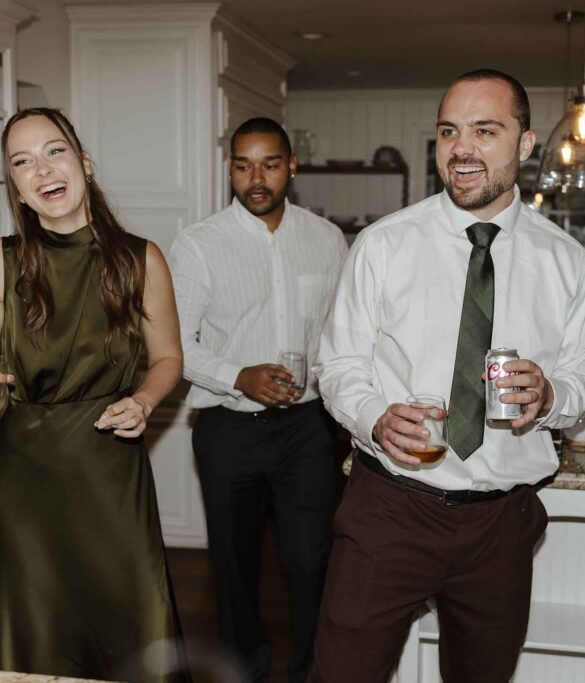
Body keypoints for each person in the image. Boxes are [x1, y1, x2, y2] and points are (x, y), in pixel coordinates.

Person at [310, 69, 585, 683]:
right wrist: (373, 417)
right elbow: (338, 365)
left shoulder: (565, 261)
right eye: (449, 132)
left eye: (484, 130)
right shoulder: (383, 245)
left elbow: (582, 385)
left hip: (501, 525)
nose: (461, 149)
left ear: (525, 144)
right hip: (390, 509)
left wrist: (550, 395)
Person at [0, 108, 189, 682]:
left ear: (84, 164)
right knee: (36, 643)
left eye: (54, 151)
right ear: (18, 191)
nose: (42, 170)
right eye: (23, 162)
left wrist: (145, 401)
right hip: (23, 490)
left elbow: (170, 358)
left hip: (111, 482)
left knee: (135, 634)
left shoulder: (139, 258)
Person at [170, 117, 348, 682]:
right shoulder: (199, 244)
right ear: (229, 168)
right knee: (233, 564)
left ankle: (308, 669)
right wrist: (236, 375)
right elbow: (173, 344)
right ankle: (244, 668)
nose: (256, 177)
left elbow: (340, 332)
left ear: (291, 165)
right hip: (229, 428)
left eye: (269, 163)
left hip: (309, 429)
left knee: (310, 558)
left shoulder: (325, 238)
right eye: (243, 164)